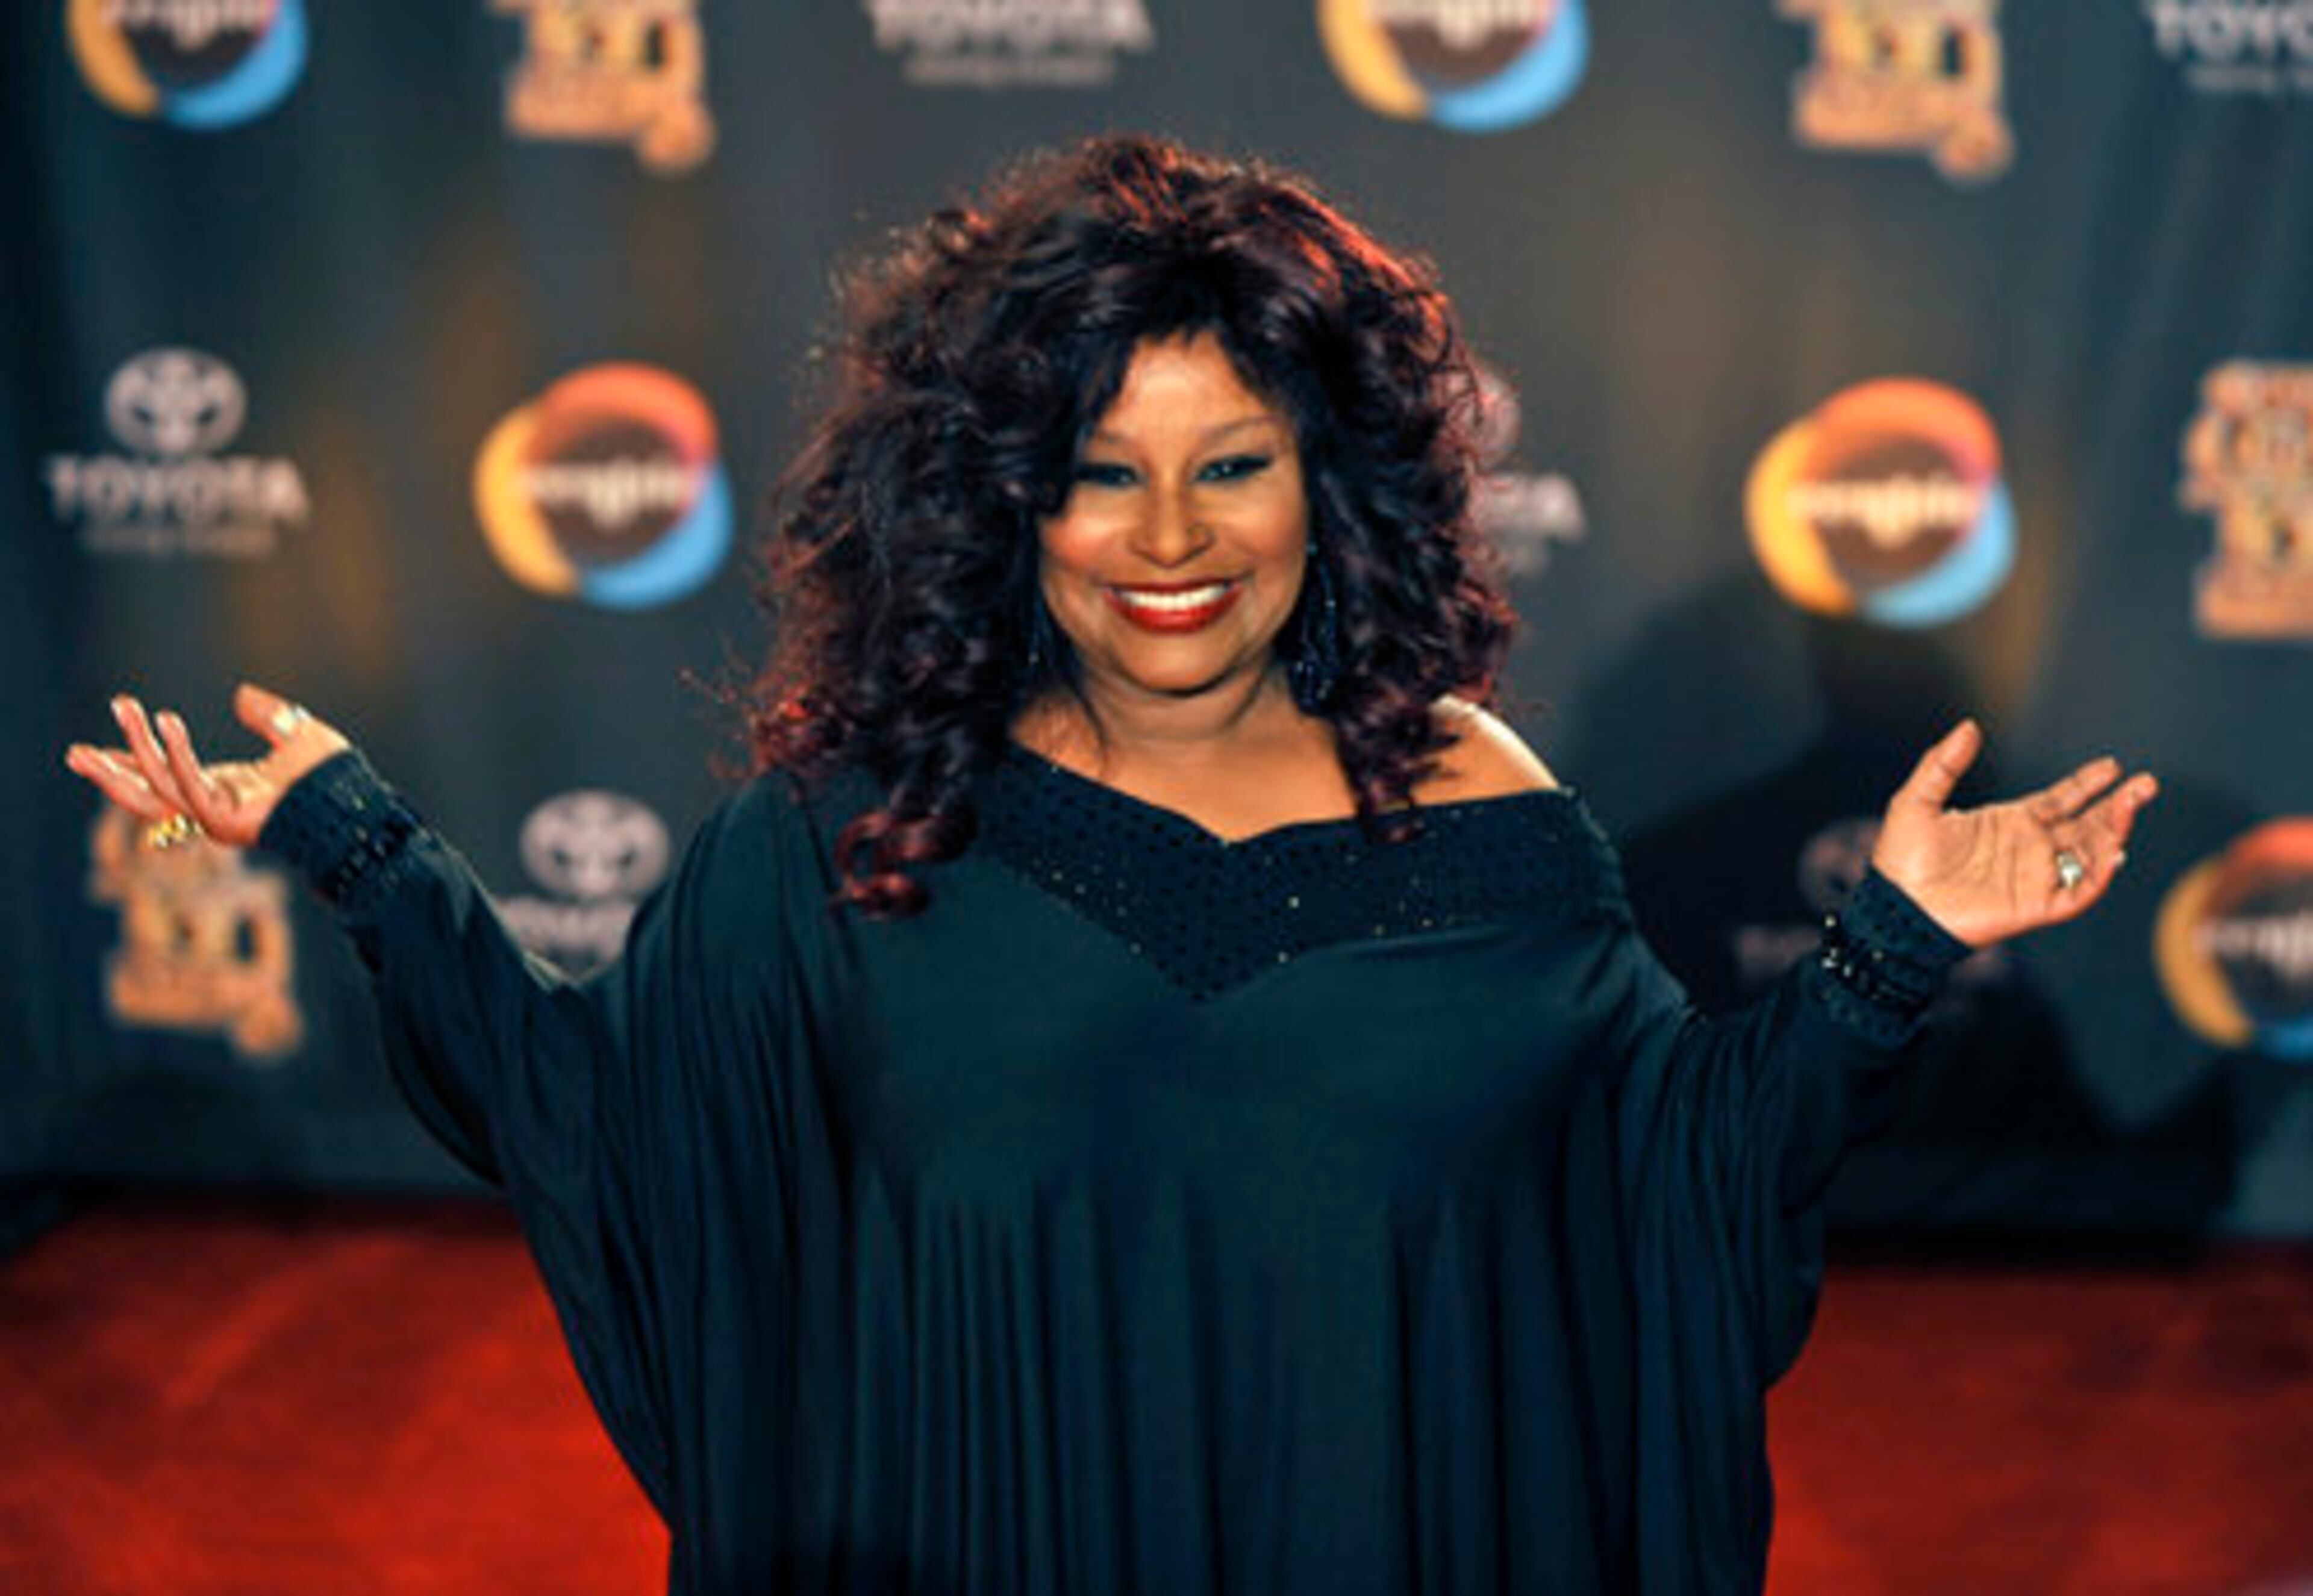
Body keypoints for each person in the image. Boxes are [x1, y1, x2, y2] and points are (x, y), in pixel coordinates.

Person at [65, 136, 2156, 1596]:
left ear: (1329, 492)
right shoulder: (856, 840)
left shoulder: (1480, 804)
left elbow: (1669, 1191)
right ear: (1006, 503)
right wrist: (359, 842)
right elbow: (605, 1128)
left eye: (1233, 465)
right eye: (1100, 475)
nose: (1172, 541)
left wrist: (1888, 953)